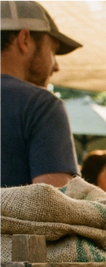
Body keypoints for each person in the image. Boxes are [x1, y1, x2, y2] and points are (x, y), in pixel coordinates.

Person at [0, 0, 81, 188]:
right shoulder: (41, 105)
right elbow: (53, 205)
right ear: (24, 40)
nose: (56, 66)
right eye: (52, 51)